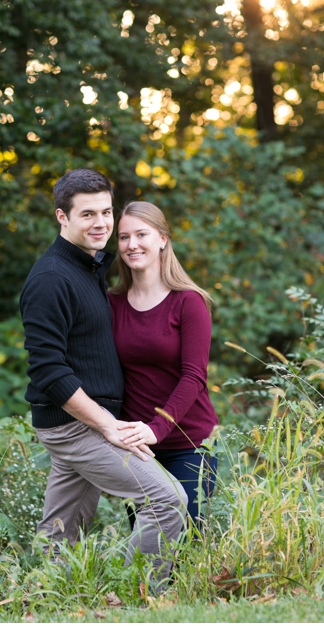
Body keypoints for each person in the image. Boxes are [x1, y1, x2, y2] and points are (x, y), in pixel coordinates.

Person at [19, 168, 188, 585]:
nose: (101, 223)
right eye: (88, 214)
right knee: (167, 501)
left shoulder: (88, 269)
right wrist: (108, 426)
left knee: (61, 530)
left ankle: (45, 598)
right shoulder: (51, 278)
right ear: (62, 217)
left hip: (85, 422)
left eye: (106, 212)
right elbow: (48, 370)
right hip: (76, 426)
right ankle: (134, 595)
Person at [107, 201, 219, 528]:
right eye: (124, 237)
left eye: (142, 234)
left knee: (186, 546)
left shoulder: (188, 302)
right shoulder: (111, 304)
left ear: (163, 239)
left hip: (190, 445)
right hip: (138, 449)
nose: (132, 244)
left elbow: (194, 377)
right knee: (148, 549)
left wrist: (156, 429)